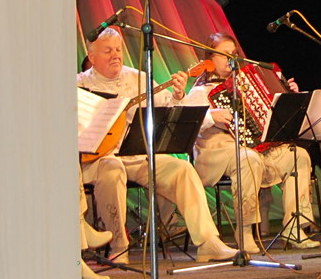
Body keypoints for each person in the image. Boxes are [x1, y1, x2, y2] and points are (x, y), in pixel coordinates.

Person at [78, 26, 240, 264]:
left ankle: (208, 242)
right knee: (112, 169)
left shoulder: (139, 78)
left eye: (118, 50)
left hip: (136, 155)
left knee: (182, 169)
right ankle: (119, 245)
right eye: (107, 51)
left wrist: (177, 95)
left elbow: (167, 107)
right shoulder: (78, 85)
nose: (115, 55)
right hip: (98, 159)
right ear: (91, 57)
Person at [183, 32, 320, 250]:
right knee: (248, 158)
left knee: (298, 155)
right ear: (210, 58)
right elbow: (186, 125)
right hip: (215, 151)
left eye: (234, 54)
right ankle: (245, 230)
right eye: (224, 54)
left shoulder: (246, 84)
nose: (231, 59)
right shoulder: (200, 91)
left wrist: (287, 93)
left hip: (251, 149)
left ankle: (294, 227)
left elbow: (270, 118)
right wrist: (211, 116)